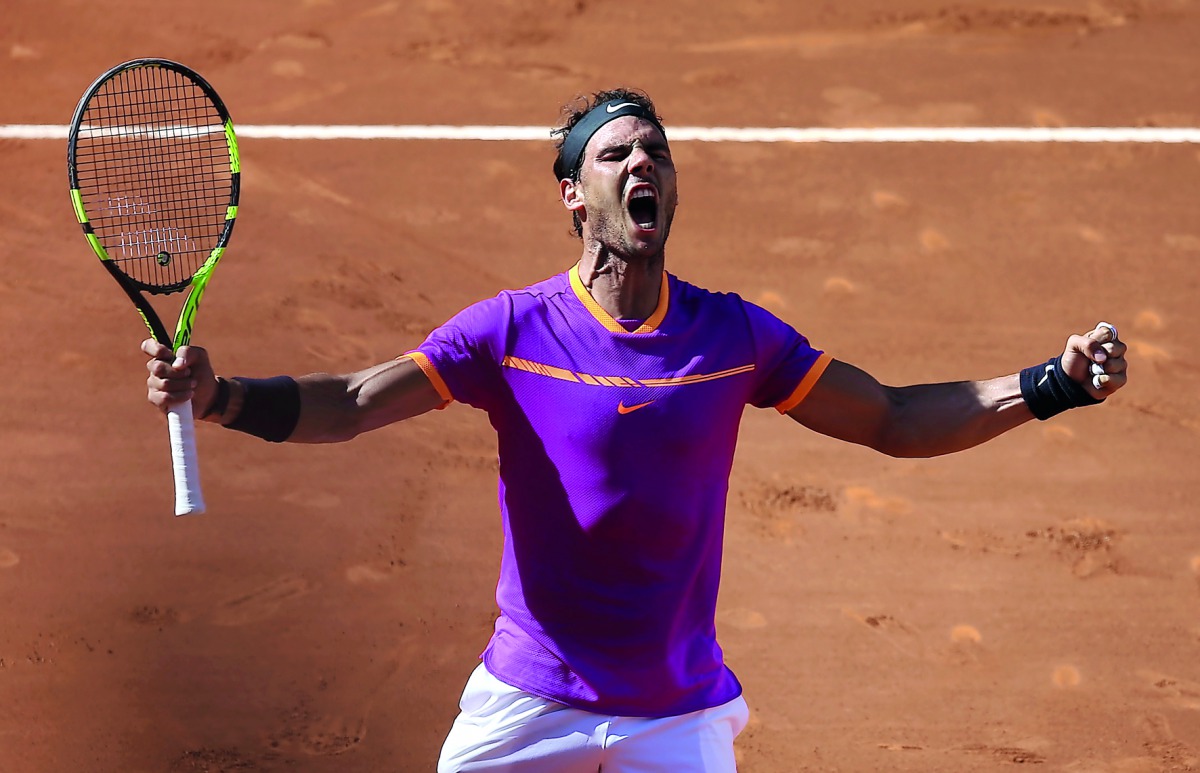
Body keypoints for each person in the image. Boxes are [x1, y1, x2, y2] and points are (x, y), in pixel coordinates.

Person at [143, 88, 1129, 772]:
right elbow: (354, 400)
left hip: (679, 708)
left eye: (655, 150)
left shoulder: (733, 335)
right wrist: (224, 396)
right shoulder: (512, 331)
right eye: (616, 152)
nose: (642, 161)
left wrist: (1051, 384)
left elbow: (894, 417)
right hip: (530, 697)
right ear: (574, 194)